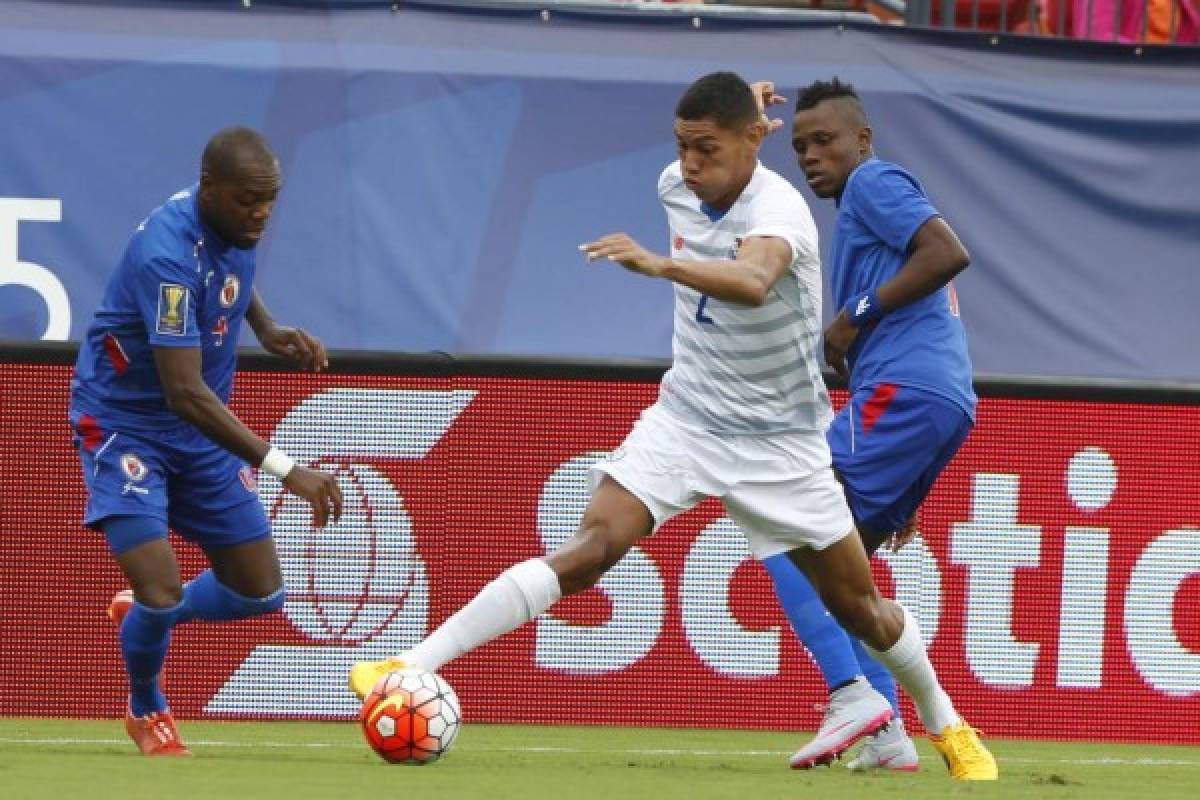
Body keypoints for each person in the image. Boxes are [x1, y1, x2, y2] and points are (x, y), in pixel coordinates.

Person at [347, 72, 996, 781]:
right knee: (592, 545)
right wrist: (738, 114)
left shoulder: (783, 211)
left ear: (751, 142)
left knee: (861, 605)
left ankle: (948, 725)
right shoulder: (674, 183)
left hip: (780, 443)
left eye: (706, 149)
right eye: (683, 147)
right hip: (686, 418)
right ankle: (406, 664)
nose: (690, 165)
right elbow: (715, 149)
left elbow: (752, 281)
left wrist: (664, 264)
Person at [69, 127, 343, 756]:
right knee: (161, 587)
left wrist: (267, 326)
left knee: (261, 593)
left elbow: (230, 270)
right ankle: (147, 707)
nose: (263, 214)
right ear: (210, 189)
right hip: (125, 424)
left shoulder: (231, 224)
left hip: (197, 434)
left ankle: (145, 615)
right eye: (250, 201)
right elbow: (185, 393)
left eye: (271, 201)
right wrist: (286, 469)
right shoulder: (167, 259)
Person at [748, 77, 980, 774]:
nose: (811, 155)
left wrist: (855, 315)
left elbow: (946, 251)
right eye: (800, 146)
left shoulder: (874, 182)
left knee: (785, 523)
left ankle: (856, 696)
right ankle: (888, 738)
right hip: (940, 397)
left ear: (863, 140)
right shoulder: (859, 206)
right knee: (846, 570)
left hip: (907, 390)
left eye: (825, 141)